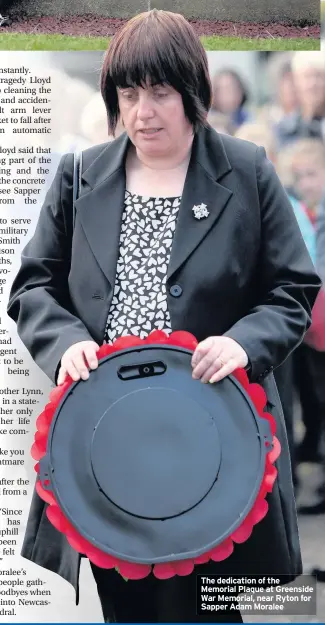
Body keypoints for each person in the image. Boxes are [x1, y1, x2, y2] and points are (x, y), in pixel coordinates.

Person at [7, 9, 321, 624]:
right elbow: (33, 285)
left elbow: (293, 288)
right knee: (127, 602)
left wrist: (242, 344)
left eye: (160, 92)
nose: (143, 112)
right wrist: (63, 340)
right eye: (129, 93)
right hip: (106, 433)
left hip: (215, 430)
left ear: (193, 94)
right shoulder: (79, 176)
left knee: (208, 604)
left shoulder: (247, 168)